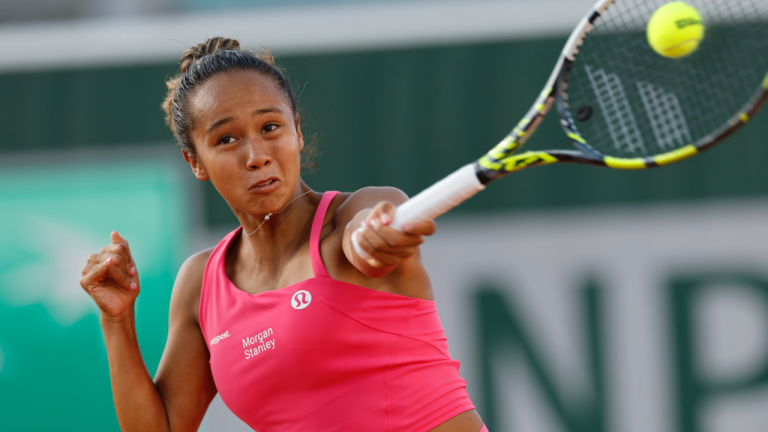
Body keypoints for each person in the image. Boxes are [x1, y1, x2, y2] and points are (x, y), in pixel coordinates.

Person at [79, 37, 487, 432]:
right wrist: (116, 319)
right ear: (195, 161)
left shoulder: (357, 215)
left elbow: (367, 235)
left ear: (298, 131)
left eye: (270, 127)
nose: (256, 156)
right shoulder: (201, 284)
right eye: (226, 139)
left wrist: (375, 240)